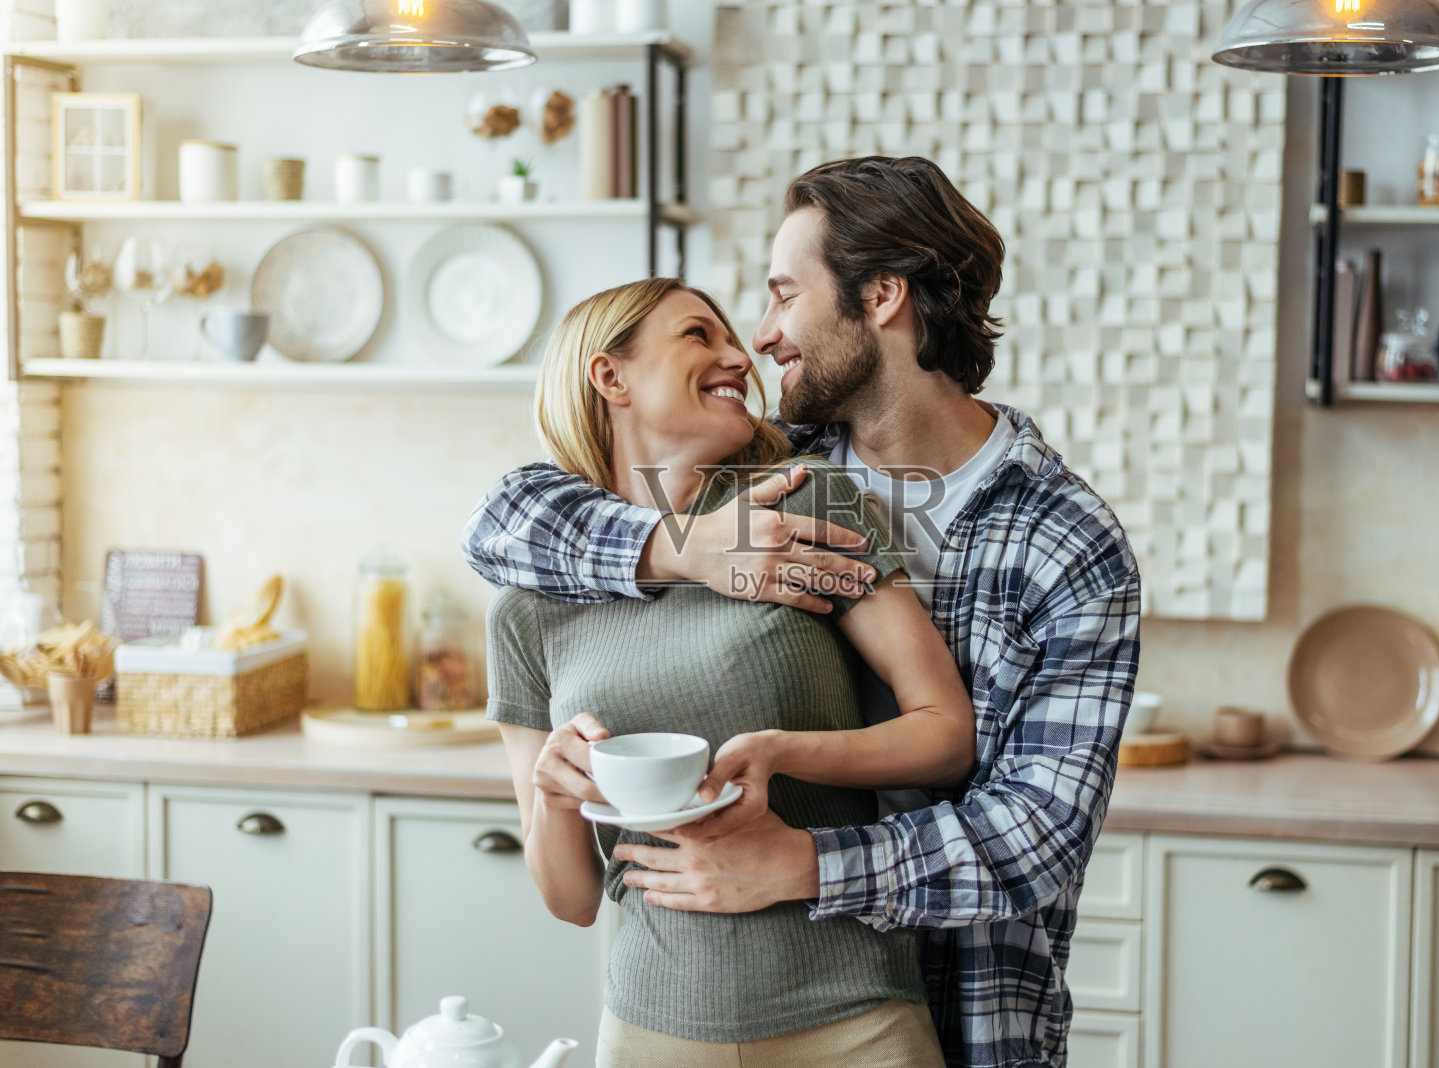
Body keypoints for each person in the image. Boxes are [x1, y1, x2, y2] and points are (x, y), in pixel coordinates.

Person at [465, 156, 1141, 1068]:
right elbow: (500, 520)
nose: (760, 338)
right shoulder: (768, 469)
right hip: (688, 1001)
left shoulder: (1065, 543)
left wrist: (801, 864)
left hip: (962, 999)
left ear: (883, 297)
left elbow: (1037, 834)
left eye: (784, 295)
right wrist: (680, 549)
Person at [485, 275, 980, 1065]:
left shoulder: (802, 502)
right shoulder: (528, 605)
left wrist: (782, 753)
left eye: (730, 339)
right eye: (698, 335)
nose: (739, 357)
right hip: (652, 1029)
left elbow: (946, 734)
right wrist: (553, 792)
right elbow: (570, 901)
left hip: (856, 1019)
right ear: (610, 376)